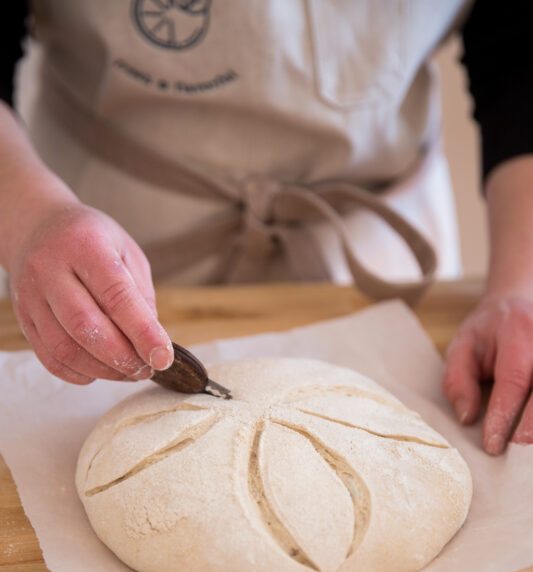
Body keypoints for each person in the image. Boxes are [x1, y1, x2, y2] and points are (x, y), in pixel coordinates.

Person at [0, 1, 531, 456]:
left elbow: (516, 57)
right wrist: (31, 216)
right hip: (108, 243)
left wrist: (522, 282)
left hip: (374, 244)